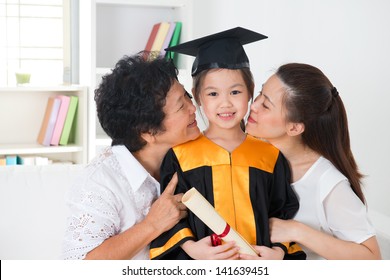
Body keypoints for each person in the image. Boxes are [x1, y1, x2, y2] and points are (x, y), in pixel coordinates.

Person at [150, 27, 305, 260]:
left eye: (235, 92)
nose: (225, 104)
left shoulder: (269, 155)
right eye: (213, 94)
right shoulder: (180, 156)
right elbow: (172, 214)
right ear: (198, 96)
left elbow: (283, 213)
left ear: (250, 92)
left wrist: (280, 252)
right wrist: (192, 248)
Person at [61, 52, 200, 260]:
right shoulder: (99, 184)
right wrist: (151, 225)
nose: (193, 107)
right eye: (181, 106)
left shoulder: (187, 154)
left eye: (187, 96)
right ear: (148, 132)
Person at [242, 62, 382, 260]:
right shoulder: (251, 153)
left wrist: (297, 231)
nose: (253, 105)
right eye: (260, 94)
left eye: (266, 105)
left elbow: (373, 260)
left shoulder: (328, 184)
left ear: (294, 128)